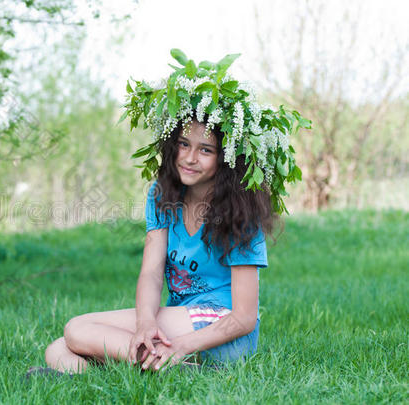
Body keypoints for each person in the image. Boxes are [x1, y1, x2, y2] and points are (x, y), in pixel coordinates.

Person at [27, 50, 310, 376]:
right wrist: (145, 325)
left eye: (206, 150)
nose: (190, 157)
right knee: (59, 350)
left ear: (227, 159)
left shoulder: (239, 212)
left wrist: (182, 345)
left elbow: (244, 317)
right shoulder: (162, 196)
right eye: (183, 144)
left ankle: (176, 363)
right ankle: (163, 371)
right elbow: (150, 272)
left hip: (221, 332)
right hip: (177, 324)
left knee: (77, 330)